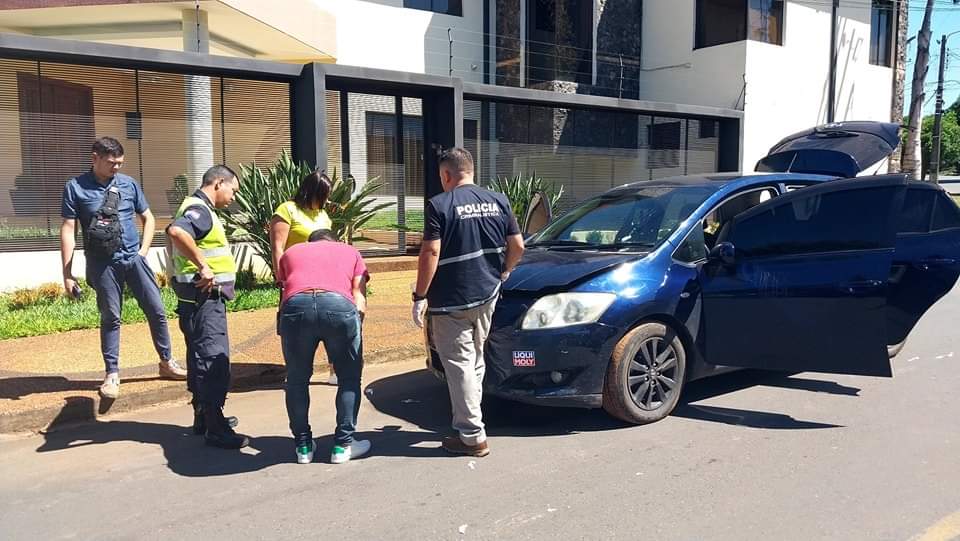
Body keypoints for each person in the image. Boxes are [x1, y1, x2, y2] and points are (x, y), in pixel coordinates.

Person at [412, 147, 525, 457]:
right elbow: (517, 245)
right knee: (475, 358)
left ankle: (472, 435)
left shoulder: (439, 204)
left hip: (451, 300)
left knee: (460, 364)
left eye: (441, 177)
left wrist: (420, 296)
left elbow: (430, 253)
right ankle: (471, 420)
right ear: (471, 171)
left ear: (447, 175)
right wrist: (505, 270)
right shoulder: (499, 201)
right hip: (488, 293)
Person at [60, 136, 186, 400]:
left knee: (157, 310)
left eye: (120, 163)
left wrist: (143, 251)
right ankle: (112, 374)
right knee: (111, 318)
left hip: (134, 258)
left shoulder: (128, 184)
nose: (116, 167)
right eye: (111, 163)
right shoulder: (75, 187)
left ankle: (166, 362)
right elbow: (69, 229)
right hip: (102, 263)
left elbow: (148, 218)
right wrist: (67, 274)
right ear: (95, 158)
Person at [166, 165, 249, 449]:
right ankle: (216, 426)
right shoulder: (199, 210)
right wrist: (204, 266)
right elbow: (177, 232)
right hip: (205, 300)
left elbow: (174, 233)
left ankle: (203, 417)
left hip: (195, 300)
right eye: (232, 191)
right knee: (214, 359)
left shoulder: (196, 208)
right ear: (218, 183)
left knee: (199, 358)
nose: (232, 198)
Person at [276, 229, 370, 464]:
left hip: (295, 307)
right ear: (334, 241)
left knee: (296, 380)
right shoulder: (349, 251)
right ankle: (343, 446)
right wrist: (355, 328)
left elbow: (284, 290)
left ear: (311, 243)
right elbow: (359, 294)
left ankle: (303, 446)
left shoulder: (291, 252)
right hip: (338, 306)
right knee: (349, 378)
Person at [269, 171, 338, 385]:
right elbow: (278, 246)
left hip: (324, 275)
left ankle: (334, 369)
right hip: (296, 276)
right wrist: (281, 274)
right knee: (292, 323)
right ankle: (295, 370)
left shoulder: (323, 216)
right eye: (324, 194)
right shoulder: (287, 210)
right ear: (313, 191)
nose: (326, 199)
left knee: (331, 320)